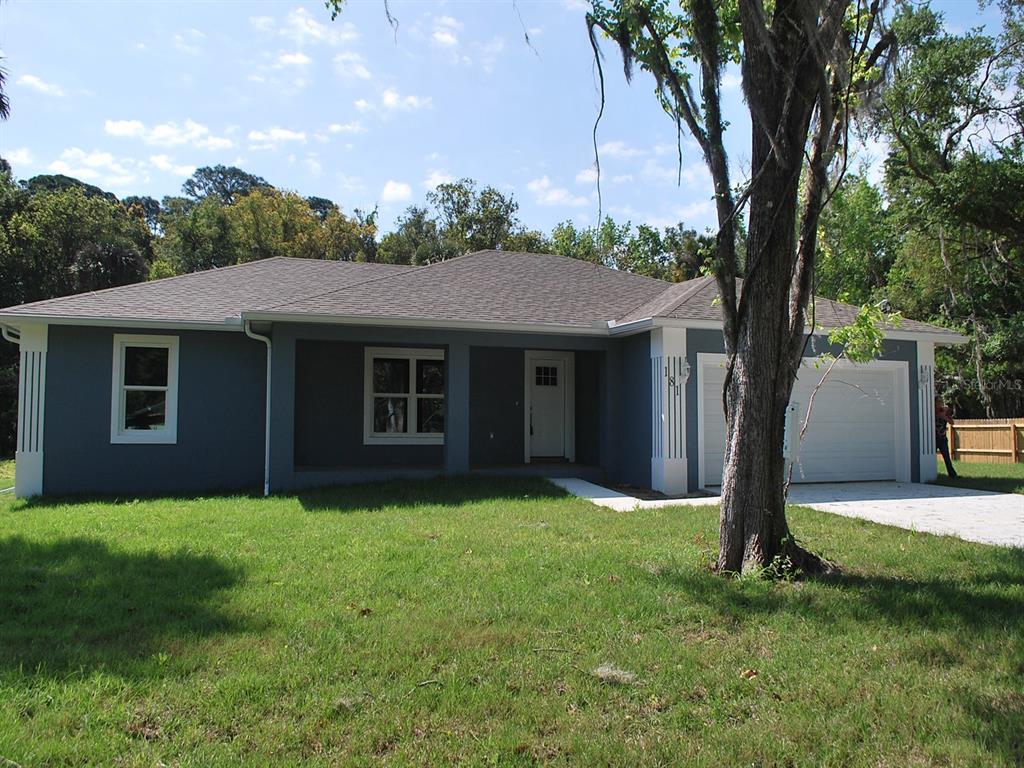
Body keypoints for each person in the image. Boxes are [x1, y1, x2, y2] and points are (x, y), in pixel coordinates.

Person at [935, 396, 958, 478]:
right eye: (938, 401)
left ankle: (952, 475)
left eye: (941, 401)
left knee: (947, 458)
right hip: (933, 439)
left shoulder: (944, 411)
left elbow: (952, 422)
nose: (940, 403)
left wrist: (945, 417)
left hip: (942, 438)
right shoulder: (931, 411)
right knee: (930, 457)